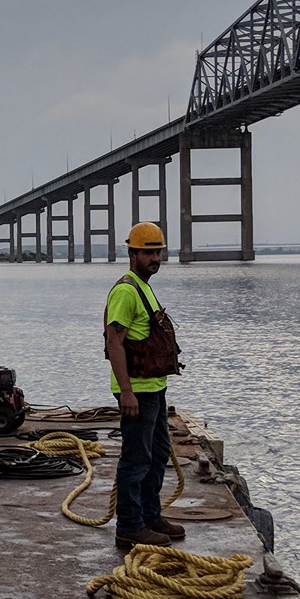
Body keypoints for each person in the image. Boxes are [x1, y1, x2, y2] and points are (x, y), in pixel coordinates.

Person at [103, 222, 185, 553]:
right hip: (136, 389)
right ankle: (130, 526)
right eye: (148, 252)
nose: (155, 258)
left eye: (158, 252)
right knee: (136, 459)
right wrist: (126, 391)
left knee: (157, 454)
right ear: (132, 253)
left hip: (154, 386)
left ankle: (151, 517)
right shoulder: (126, 290)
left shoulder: (143, 287)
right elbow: (114, 342)